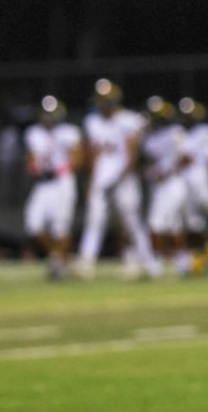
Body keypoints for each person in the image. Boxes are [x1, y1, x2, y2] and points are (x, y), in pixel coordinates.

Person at [75, 79, 161, 279]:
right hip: (101, 179)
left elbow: (132, 155)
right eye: (101, 100)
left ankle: (148, 263)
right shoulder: (92, 121)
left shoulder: (128, 120)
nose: (104, 104)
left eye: (107, 99)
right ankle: (86, 261)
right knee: (94, 219)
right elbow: (92, 154)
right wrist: (92, 180)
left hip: (124, 179)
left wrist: (119, 177)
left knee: (130, 221)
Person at [23, 96, 83, 280]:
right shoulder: (33, 133)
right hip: (43, 183)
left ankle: (58, 264)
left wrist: (58, 169)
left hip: (62, 182)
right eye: (45, 113)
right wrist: (34, 167)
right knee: (33, 224)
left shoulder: (69, 132)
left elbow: (77, 159)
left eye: (51, 113)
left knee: (60, 227)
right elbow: (31, 159)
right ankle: (58, 258)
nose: (48, 117)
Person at [141, 97, 192, 276]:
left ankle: (155, 264)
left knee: (155, 223)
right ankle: (183, 262)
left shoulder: (175, 133)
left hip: (174, 184)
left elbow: (187, 158)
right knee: (174, 226)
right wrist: (152, 172)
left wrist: (167, 171)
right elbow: (148, 162)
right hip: (159, 186)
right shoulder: (149, 137)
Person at [178, 97, 208, 274]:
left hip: (203, 182)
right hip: (185, 184)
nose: (187, 118)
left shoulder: (206, 131)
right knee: (192, 224)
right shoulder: (179, 134)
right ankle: (199, 258)